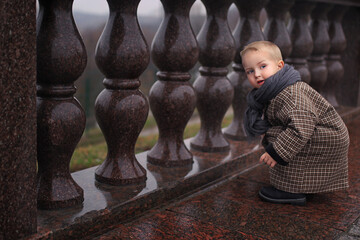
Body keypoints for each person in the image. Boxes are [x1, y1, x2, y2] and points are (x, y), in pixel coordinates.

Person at [241, 41, 349, 205]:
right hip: (319, 133)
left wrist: (276, 152)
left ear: (279, 66)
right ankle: (302, 185)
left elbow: (301, 127)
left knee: (278, 137)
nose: (256, 74)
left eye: (262, 66)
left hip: (326, 136)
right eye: (250, 71)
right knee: (278, 134)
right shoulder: (278, 89)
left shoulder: (291, 94)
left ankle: (290, 191)